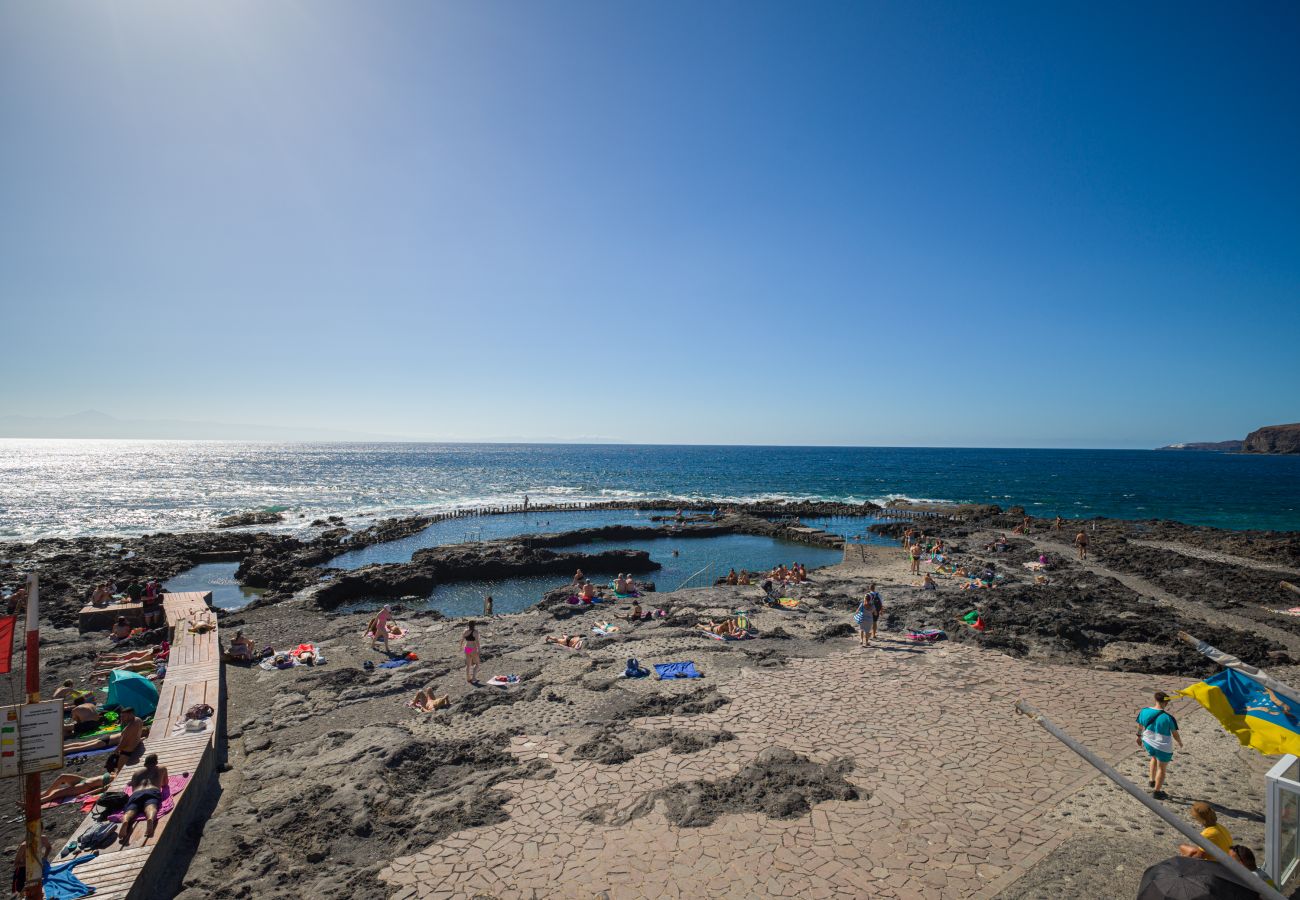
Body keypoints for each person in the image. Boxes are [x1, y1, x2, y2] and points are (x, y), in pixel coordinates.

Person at [1137, 691, 1182, 799]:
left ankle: (1152, 780)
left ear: (1155, 700)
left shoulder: (1144, 711)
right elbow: (1175, 733)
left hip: (1147, 741)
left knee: (1153, 757)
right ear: (1165, 703)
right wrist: (1180, 742)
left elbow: (1140, 726)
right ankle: (1157, 792)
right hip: (1162, 746)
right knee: (1162, 768)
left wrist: (1138, 737)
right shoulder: (1168, 718)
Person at [118, 753, 169, 846]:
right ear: (156, 762)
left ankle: (125, 820)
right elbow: (165, 783)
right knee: (151, 806)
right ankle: (150, 818)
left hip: (137, 793)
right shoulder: (162, 768)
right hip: (152, 790)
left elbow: (133, 789)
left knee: (131, 809)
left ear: (145, 763)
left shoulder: (136, 772)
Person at [38, 753, 121, 805]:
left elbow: (102, 789)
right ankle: (46, 793)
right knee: (62, 776)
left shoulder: (116, 780)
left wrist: (85, 794)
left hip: (85, 787)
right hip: (84, 780)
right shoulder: (116, 773)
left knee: (57, 793)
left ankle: (40, 801)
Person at [66, 707, 143, 758]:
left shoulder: (134, 728)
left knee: (82, 744)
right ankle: (64, 751)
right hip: (107, 742)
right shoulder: (131, 733)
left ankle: (63, 749)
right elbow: (124, 741)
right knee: (82, 747)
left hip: (107, 737)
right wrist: (117, 750)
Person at [11, 832, 51, 897]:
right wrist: (30, 863)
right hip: (23, 869)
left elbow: (49, 847)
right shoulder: (24, 846)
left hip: (37, 866)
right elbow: (16, 864)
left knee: (36, 888)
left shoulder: (43, 838)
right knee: (18, 893)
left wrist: (45, 857)